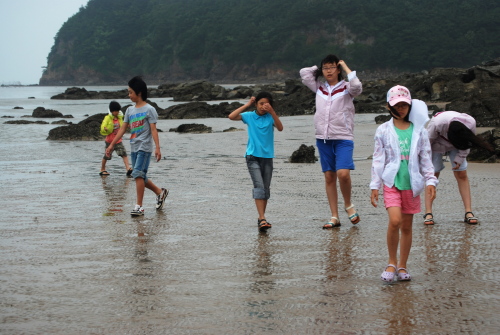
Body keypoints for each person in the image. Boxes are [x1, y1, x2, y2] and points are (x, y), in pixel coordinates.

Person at [370, 85, 438, 282]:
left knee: (407, 227)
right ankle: (391, 262)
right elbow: (378, 160)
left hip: (412, 184)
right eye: (396, 105)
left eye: (404, 105)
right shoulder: (383, 130)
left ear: (410, 106)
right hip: (391, 182)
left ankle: (402, 265)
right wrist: (375, 186)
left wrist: (431, 180)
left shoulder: (419, 131)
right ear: (388, 106)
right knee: (395, 220)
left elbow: (426, 158)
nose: (401, 108)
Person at [300, 54, 363, 228]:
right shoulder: (320, 87)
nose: (328, 71)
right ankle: (334, 216)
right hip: (323, 138)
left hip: (343, 137)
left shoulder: (347, 88)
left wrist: (344, 67)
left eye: (332, 67)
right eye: (325, 68)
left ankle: (348, 205)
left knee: (343, 173)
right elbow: (304, 74)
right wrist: (317, 69)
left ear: (338, 69)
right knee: (329, 176)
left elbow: (358, 86)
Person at [106, 76, 168, 216]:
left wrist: (157, 148)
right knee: (138, 175)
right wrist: (111, 145)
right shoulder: (129, 110)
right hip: (133, 147)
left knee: (138, 174)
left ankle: (139, 206)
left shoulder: (149, 109)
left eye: (130, 92)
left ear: (139, 92)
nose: (129, 95)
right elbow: (122, 129)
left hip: (145, 147)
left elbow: (153, 129)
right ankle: (160, 192)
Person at [423, 111, 495, 225]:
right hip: (435, 143)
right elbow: (427, 143)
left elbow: (467, 141)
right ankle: (428, 213)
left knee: (461, 174)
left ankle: (468, 211)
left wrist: (460, 158)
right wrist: (425, 162)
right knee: (433, 175)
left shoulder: (470, 123)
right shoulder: (437, 123)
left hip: (458, 143)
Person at [228, 92, 284, 232]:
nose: (263, 107)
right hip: (252, 156)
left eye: (266, 104)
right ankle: (262, 217)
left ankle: (261, 219)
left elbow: (280, 127)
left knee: (265, 188)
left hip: (267, 157)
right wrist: (247, 104)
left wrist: (272, 111)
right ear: (256, 104)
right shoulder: (250, 116)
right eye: (260, 104)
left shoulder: (270, 117)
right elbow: (231, 116)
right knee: (259, 185)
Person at [99, 101, 133, 176]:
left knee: (123, 154)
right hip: (109, 141)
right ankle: (102, 169)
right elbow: (103, 125)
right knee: (107, 155)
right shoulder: (107, 118)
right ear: (112, 111)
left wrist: (127, 126)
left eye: (118, 111)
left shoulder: (119, 118)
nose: (117, 112)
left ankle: (128, 169)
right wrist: (105, 128)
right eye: (116, 111)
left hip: (118, 140)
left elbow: (123, 125)